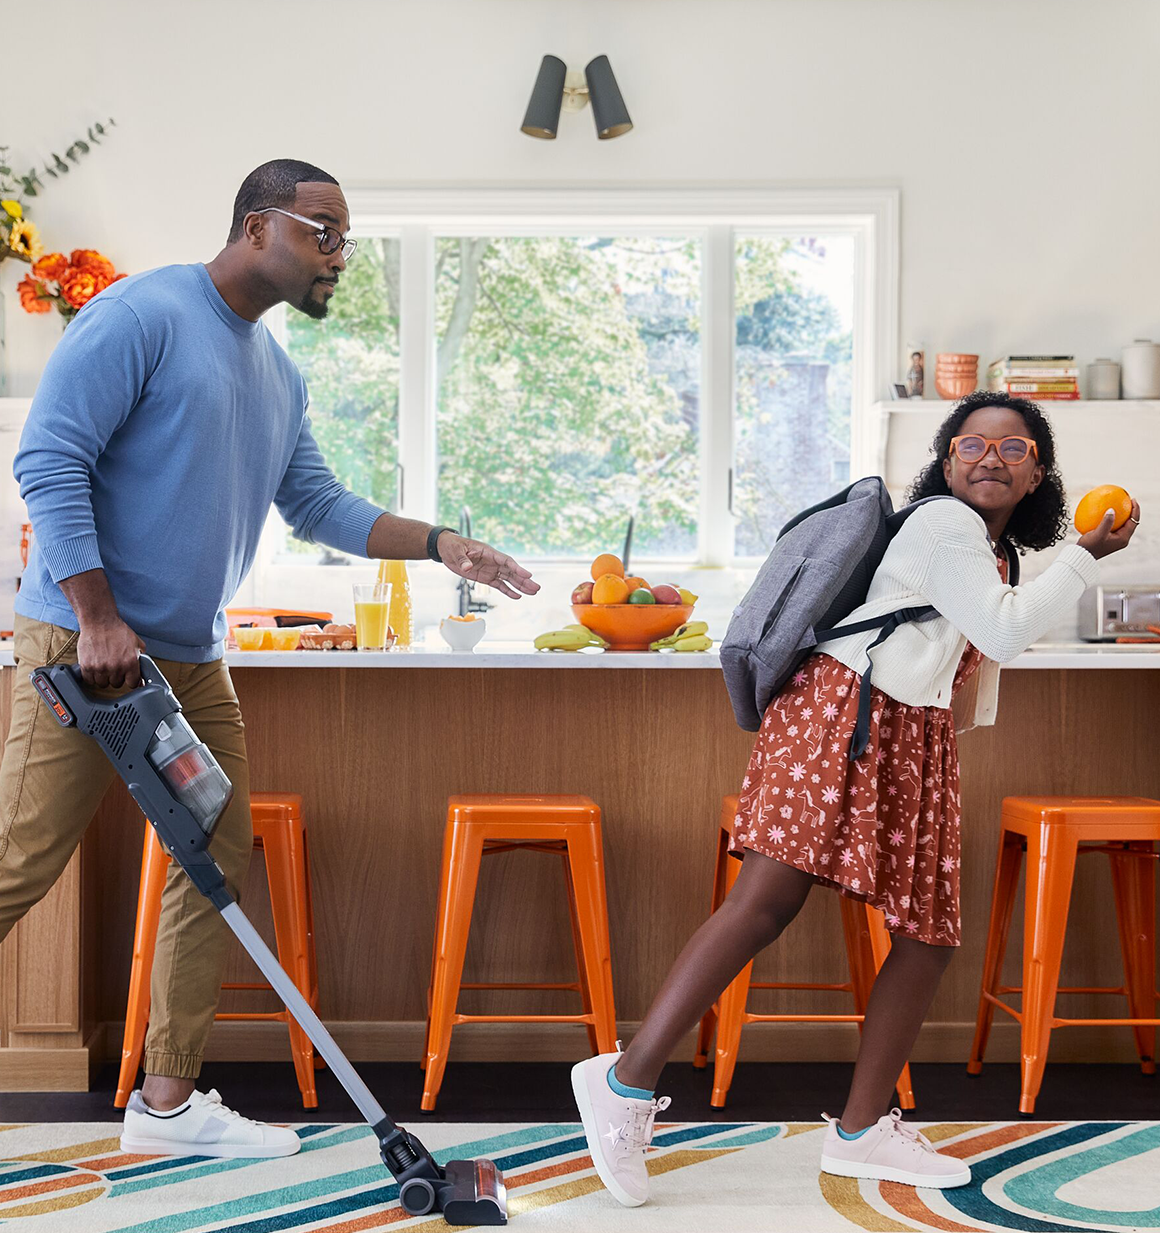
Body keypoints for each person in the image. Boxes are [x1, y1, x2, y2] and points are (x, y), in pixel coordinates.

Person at [2, 159, 539, 1158]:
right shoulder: (140, 315)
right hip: (88, 647)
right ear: (258, 226)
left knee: (211, 855)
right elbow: (49, 456)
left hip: (189, 660)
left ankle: (164, 1105)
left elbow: (317, 504)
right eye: (323, 233)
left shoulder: (272, 370)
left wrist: (439, 544)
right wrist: (100, 615)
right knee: (17, 862)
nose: (339, 256)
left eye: (344, 237)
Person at [571, 390, 1139, 1203]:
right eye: (970, 446)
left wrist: (926, 759)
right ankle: (624, 1083)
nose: (989, 458)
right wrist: (1086, 554)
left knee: (930, 932)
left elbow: (970, 650)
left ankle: (863, 1131)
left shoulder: (994, 551)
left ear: (1036, 476)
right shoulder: (944, 524)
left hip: (908, 737)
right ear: (946, 465)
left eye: (1012, 450)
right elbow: (1006, 631)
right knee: (765, 902)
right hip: (845, 714)